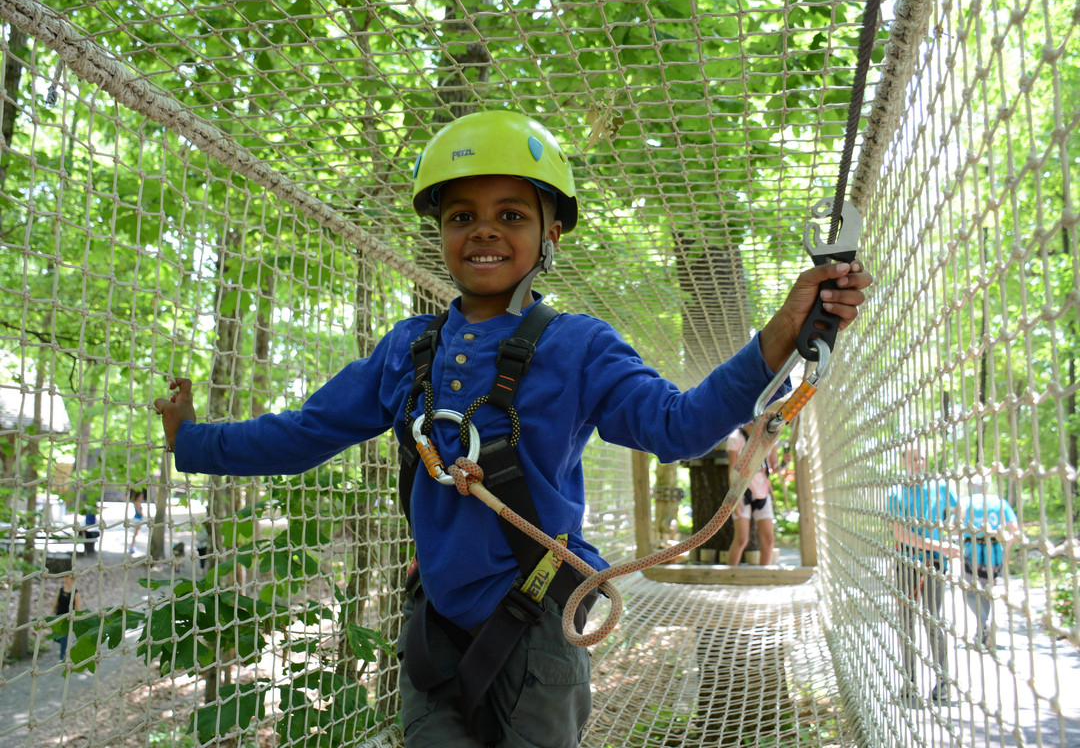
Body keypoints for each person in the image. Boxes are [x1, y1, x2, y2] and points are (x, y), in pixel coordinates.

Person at [154, 111, 871, 748]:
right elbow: (302, 434)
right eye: (461, 216)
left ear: (550, 231)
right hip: (434, 631)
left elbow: (678, 426)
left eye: (512, 215)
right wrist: (192, 440)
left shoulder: (580, 346)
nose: (485, 230)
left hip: (539, 629)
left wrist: (783, 332)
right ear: (440, 232)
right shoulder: (406, 351)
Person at [887, 447, 959, 707]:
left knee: (933, 620)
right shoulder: (896, 492)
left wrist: (948, 531)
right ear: (904, 462)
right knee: (906, 623)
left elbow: (957, 513)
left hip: (934, 564)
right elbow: (901, 535)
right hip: (908, 562)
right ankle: (909, 682)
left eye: (921, 458)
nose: (917, 463)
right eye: (912, 459)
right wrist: (939, 545)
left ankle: (942, 683)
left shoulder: (940, 487)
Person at [956, 475, 1019, 650]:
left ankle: (982, 625)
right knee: (987, 589)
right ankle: (983, 626)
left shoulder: (966, 502)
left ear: (973, 484)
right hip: (995, 552)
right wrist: (1005, 549)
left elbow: (957, 526)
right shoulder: (1000, 502)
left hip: (973, 552)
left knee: (972, 592)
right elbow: (1015, 529)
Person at [725, 425, 779, 565]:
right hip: (742, 490)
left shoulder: (770, 436)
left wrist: (783, 463)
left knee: (768, 539)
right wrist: (733, 499)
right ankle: (729, 579)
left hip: (762, 490)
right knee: (741, 538)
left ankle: (764, 580)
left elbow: (774, 464)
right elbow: (732, 468)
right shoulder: (736, 437)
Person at [53, 573, 82, 662]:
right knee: (55, 637)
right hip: (58, 616)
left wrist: (78, 617)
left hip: (68, 618)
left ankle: (62, 656)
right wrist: (52, 611)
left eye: (67, 578)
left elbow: (77, 607)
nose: (65, 580)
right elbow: (55, 602)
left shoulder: (75, 593)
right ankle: (65, 645)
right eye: (64, 577)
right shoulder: (60, 590)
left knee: (64, 636)